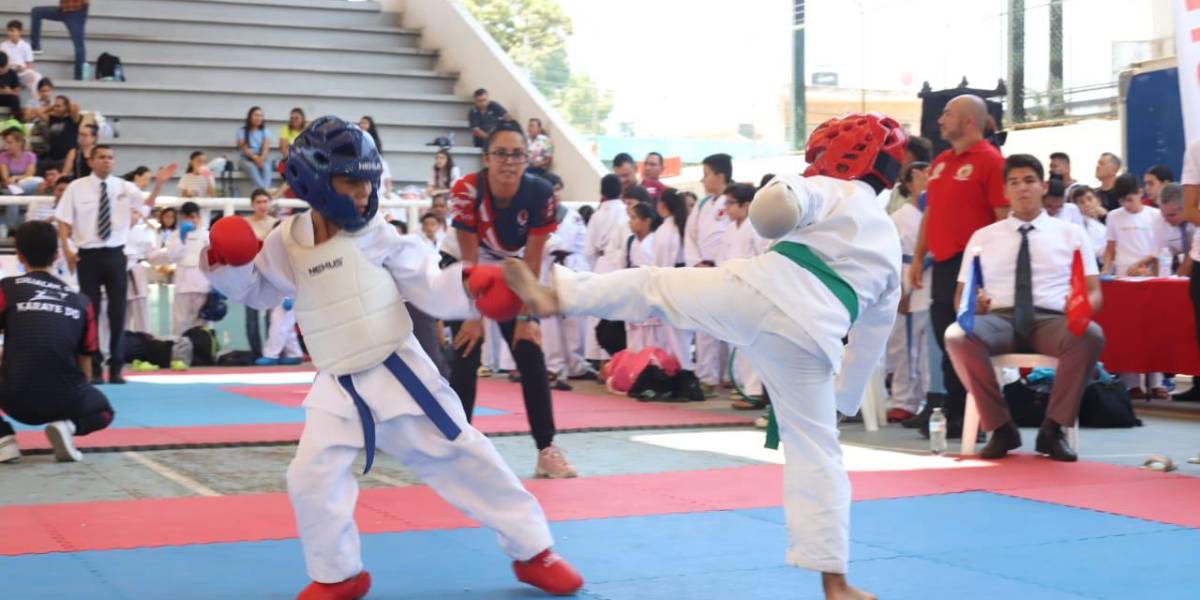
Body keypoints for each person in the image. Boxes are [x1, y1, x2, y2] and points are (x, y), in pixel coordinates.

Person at [502, 112, 907, 600]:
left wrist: (781, 196)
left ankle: (558, 296)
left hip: (760, 291)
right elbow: (873, 334)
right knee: (818, 452)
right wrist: (843, 400)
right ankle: (835, 583)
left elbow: (780, 203)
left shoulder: (829, 188)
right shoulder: (887, 237)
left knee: (653, 286)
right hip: (815, 337)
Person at [201, 116, 582, 599]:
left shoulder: (375, 233)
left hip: (398, 374)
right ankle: (339, 575)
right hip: (337, 386)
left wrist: (471, 284)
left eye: (369, 182)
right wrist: (226, 262)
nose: (364, 193)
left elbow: (427, 282)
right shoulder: (285, 241)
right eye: (351, 182)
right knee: (311, 476)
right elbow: (258, 293)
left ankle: (534, 551)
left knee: (463, 456)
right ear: (314, 181)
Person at [943, 154, 1104, 462]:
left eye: (1029, 181)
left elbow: (1094, 291)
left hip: (1052, 319)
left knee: (1090, 334)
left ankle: (1053, 429)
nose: (1022, 188)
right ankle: (1001, 427)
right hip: (999, 319)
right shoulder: (983, 237)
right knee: (957, 336)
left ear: (1043, 186)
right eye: (1014, 183)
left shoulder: (1071, 233)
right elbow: (960, 297)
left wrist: (1082, 308)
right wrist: (973, 305)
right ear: (1005, 191)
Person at [448, 119, 576, 479]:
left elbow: (531, 262)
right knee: (466, 351)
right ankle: (459, 449)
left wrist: (523, 319)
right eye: (501, 153)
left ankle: (546, 448)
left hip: (514, 268)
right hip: (468, 264)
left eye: (517, 154)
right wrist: (473, 315)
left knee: (530, 351)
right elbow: (469, 260)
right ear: (486, 158)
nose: (509, 162)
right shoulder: (466, 190)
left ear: (527, 158)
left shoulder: (540, 193)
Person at [908, 95, 1008, 437]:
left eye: (948, 114)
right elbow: (931, 213)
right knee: (945, 337)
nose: (940, 120)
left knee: (968, 338)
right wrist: (918, 257)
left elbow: (1002, 218)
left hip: (975, 266)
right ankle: (956, 410)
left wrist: (993, 271)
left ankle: (977, 415)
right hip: (943, 263)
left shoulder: (990, 160)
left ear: (969, 121)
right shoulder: (940, 162)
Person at [55, 145, 175, 384]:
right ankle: (94, 366)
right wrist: (67, 248)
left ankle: (117, 366)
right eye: (101, 157)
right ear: (91, 161)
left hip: (115, 254)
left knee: (118, 312)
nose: (107, 161)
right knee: (91, 312)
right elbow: (63, 219)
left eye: (110, 157)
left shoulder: (124, 186)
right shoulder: (76, 187)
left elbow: (145, 207)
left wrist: (159, 185)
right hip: (88, 254)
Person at [0, 220, 113, 464]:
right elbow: (86, 362)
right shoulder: (81, 301)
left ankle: (3, 438)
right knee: (105, 411)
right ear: (56, 255)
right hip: (66, 400)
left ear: (19, 255)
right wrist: (79, 399)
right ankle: (68, 426)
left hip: (15, 399)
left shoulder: (6, 289)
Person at [1101, 173, 1165, 399]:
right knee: (1127, 332)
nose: (1126, 205)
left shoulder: (1155, 215)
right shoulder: (1113, 216)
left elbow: (1160, 249)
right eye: (1121, 201)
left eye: (1129, 199)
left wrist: (1148, 270)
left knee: (1154, 331)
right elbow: (1110, 248)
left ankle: (1157, 382)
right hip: (1123, 279)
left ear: (1140, 193)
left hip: (1150, 279)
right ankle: (1132, 383)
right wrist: (1105, 271)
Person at [885, 162, 932, 423]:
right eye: (921, 177)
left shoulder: (936, 212)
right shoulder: (899, 217)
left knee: (927, 346)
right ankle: (903, 399)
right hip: (907, 278)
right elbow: (891, 256)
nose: (927, 182)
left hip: (933, 279)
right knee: (904, 344)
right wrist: (901, 292)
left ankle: (928, 398)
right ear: (909, 183)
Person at [684, 153, 733, 396]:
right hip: (704, 269)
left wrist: (721, 263)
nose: (703, 180)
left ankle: (730, 376)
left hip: (727, 270)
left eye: (706, 175)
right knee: (705, 326)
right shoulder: (702, 205)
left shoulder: (736, 200)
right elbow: (690, 236)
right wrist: (697, 262)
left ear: (720, 175)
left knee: (731, 326)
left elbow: (734, 239)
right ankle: (707, 376)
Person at [718, 182, 769, 404]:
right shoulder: (730, 229)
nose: (727, 209)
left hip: (752, 289)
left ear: (746, 205)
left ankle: (754, 391)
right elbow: (722, 259)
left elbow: (764, 259)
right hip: (732, 288)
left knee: (751, 342)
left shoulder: (758, 228)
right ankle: (743, 385)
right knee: (736, 342)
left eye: (731, 203)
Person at [582, 174, 628, 364]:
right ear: (621, 191)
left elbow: (588, 250)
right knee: (617, 312)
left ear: (602, 192)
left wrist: (594, 266)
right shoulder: (626, 212)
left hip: (600, 265)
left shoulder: (597, 215)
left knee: (598, 313)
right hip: (620, 266)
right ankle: (614, 362)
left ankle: (601, 362)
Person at [165, 201, 210, 335]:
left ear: (199, 217)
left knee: (202, 324)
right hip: (182, 285)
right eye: (188, 217)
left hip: (202, 285)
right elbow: (171, 256)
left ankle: (203, 348)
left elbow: (215, 260)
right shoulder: (176, 235)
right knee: (180, 323)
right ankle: (180, 347)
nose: (191, 220)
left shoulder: (207, 236)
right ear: (182, 218)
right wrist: (182, 239)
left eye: (194, 217)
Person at [29, 0, 88, 81]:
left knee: (79, 47)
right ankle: (35, 47)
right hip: (63, 9)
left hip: (76, 13)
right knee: (36, 12)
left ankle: (79, 77)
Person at [237, 106, 272, 191]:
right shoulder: (242, 131)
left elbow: (266, 148)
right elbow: (244, 148)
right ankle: (265, 191)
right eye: (256, 115)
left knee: (266, 167)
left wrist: (261, 159)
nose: (258, 118)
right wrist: (255, 158)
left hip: (262, 158)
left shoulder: (265, 131)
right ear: (250, 117)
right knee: (252, 168)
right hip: (245, 159)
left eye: (260, 115)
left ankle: (264, 191)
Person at [358, 116, 394, 198]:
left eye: (365, 123)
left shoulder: (381, 162)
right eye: (361, 123)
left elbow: (388, 181)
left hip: (380, 195)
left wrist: (387, 193)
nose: (362, 125)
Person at [1070, 186, 1107, 264]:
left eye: (1090, 199)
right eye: (1081, 202)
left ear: (1098, 201)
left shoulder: (1108, 218)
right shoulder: (1079, 224)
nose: (1087, 204)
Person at [2, 20, 41, 93]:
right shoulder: (3, 46)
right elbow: (2, 63)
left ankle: (35, 97)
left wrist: (22, 69)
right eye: (9, 31)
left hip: (22, 73)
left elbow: (29, 65)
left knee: (36, 76)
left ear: (20, 32)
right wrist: (12, 68)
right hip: (8, 73)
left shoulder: (26, 46)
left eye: (12, 31)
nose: (9, 33)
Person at [0, 53, 23, 123]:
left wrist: (9, 91)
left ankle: (16, 121)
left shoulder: (12, 73)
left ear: (7, 64)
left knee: (14, 99)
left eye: (2, 67)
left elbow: (17, 92)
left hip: (7, 98)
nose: (0, 69)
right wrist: (4, 91)